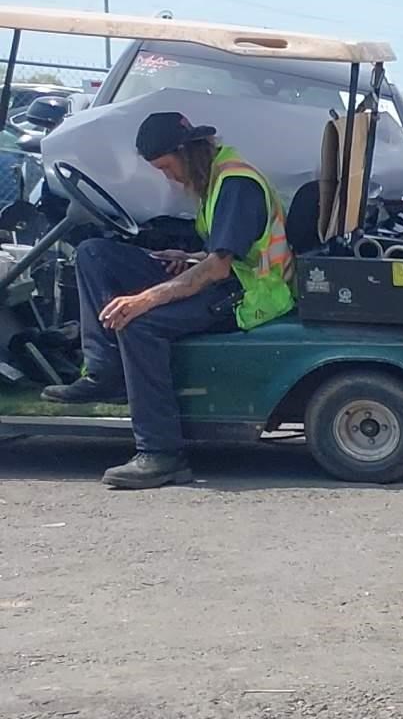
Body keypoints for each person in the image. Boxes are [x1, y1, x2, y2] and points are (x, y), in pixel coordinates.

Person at [40, 110, 296, 489]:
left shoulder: (236, 182)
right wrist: (188, 258)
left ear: (186, 151)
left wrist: (144, 300)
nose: (169, 177)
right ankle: (104, 373)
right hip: (226, 276)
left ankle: (161, 454)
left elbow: (219, 270)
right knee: (95, 253)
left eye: (166, 167)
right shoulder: (214, 176)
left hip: (249, 295)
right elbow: (225, 252)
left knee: (140, 325)